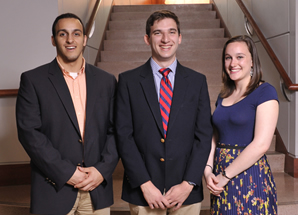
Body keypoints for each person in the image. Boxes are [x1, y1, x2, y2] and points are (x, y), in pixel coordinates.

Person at [16, 13, 118, 215]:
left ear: (85, 39)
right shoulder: (33, 80)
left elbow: (116, 130)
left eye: (76, 34)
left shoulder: (107, 81)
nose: (70, 40)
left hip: (96, 188)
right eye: (63, 34)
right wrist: (67, 173)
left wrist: (101, 170)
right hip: (53, 188)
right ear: (53, 40)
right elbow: (30, 134)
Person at [116, 10, 213, 215]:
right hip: (144, 193)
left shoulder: (197, 82)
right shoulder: (128, 81)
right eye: (158, 33)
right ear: (147, 38)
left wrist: (188, 184)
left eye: (171, 32)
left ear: (180, 37)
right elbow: (124, 137)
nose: (165, 39)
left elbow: (203, 136)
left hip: (185, 193)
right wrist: (144, 184)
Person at [204, 35, 279, 214]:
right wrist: (207, 170)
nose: (232, 63)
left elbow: (261, 144)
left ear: (252, 61)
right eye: (228, 57)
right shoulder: (223, 96)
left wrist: (225, 176)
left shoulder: (265, 91)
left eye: (240, 57)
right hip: (219, 174)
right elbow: (215, 135)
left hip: (250, 175)